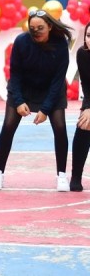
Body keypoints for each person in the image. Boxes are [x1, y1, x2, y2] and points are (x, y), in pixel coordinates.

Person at [0, 9, 72, 192]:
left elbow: (58, 80)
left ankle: (61, 175)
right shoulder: (21, 41)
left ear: (49, 26)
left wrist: (45, 109)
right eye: (32, 28)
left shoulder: (60, 44)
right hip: (23, 89)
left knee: (60, 127)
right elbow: (15, 74)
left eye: (40, 28)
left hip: (52, 90)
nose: (36, 32)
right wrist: (19, 101)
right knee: (8, 126)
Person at [71, 21, 90, 192]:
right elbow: (87, 85)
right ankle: (76, 176)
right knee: (84, 123)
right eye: (89, 36)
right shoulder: (83, 54)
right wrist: (88, 108)